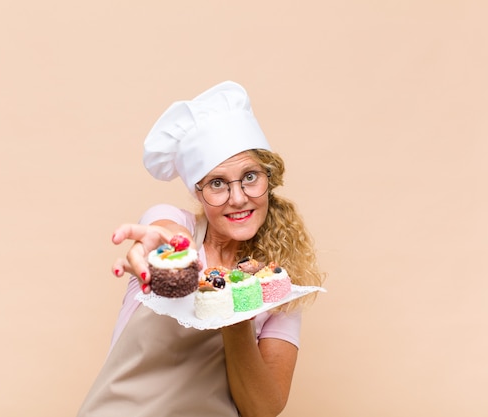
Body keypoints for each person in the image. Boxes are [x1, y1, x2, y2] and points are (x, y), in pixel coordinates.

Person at [77, 81, 324, 417]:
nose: (238, 197)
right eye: (217, 183)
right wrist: (170, 254)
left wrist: (238, 318)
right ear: (198, 193)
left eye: (250, 176)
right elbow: (164, 232)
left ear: (269, 179)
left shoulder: (277, 285)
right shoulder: (178, 230)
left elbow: (263, 409)